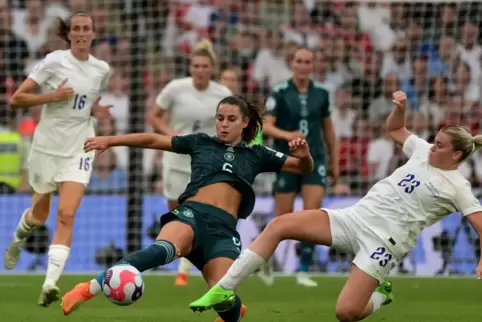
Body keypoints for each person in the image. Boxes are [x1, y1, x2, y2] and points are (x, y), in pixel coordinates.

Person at [189, 91, 482, 322]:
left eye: (440, 145)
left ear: (456, 154)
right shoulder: (421, 150)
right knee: (279, 225)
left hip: (383, 244)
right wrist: (400, 110)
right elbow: (395, 129)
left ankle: (380, 295)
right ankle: (223, 289)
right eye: (435, 140)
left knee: (346, 313)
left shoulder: (458, 188)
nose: (432, 146)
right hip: (354, 218)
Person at [61, 95, 315, 322]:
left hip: (223, 232)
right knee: (162, 250)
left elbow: (303, 169)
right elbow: (153, 138)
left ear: (245, 122)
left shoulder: (258, 154)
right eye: (220, 118)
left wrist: (304, 155)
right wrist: (110, 140)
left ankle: (234, 314)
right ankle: (88, 289)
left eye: (230, 119)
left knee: (223, 297)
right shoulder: (201, 142)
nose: (224, 124)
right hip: (193, 214)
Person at [3, 12, 112, 307]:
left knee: (66, 215)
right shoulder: (54, 61)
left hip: (79, 148)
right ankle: (16, 241)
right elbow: (17, 99)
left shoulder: (102, 69)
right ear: (69, 34)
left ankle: (49, 284)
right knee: (38, 216)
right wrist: (52, 96)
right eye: (75, 28)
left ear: (92, 33)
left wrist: (97, 114)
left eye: (85, 29)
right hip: (47, 147)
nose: (80, 33)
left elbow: (84, 105)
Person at [149, 39, 232, 286]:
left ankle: (185, 268)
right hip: (175, 160)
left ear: (212, 68)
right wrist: (170, 134)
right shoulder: (176, 88)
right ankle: (180, 257)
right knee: (176, 213)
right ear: (190, 67)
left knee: (198, 213)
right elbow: (154, 116)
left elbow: (230, 123)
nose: (200, 70)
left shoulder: (222, 94)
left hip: (204, 163)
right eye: (196, 65)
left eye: (205, 66)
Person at [260, 47, 339, 287]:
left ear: (312, 65)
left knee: (311, 215)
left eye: (307, 62)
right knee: (281, 218)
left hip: (315, 160)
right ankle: (265, 262)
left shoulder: (322, 94)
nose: (303, 65)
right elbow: (265, 126)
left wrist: (334, 161)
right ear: (292, 64)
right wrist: (287, 134)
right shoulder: (280, 92)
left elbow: (328, 129)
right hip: (287, 160)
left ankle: (303, 270)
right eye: (299, 61)